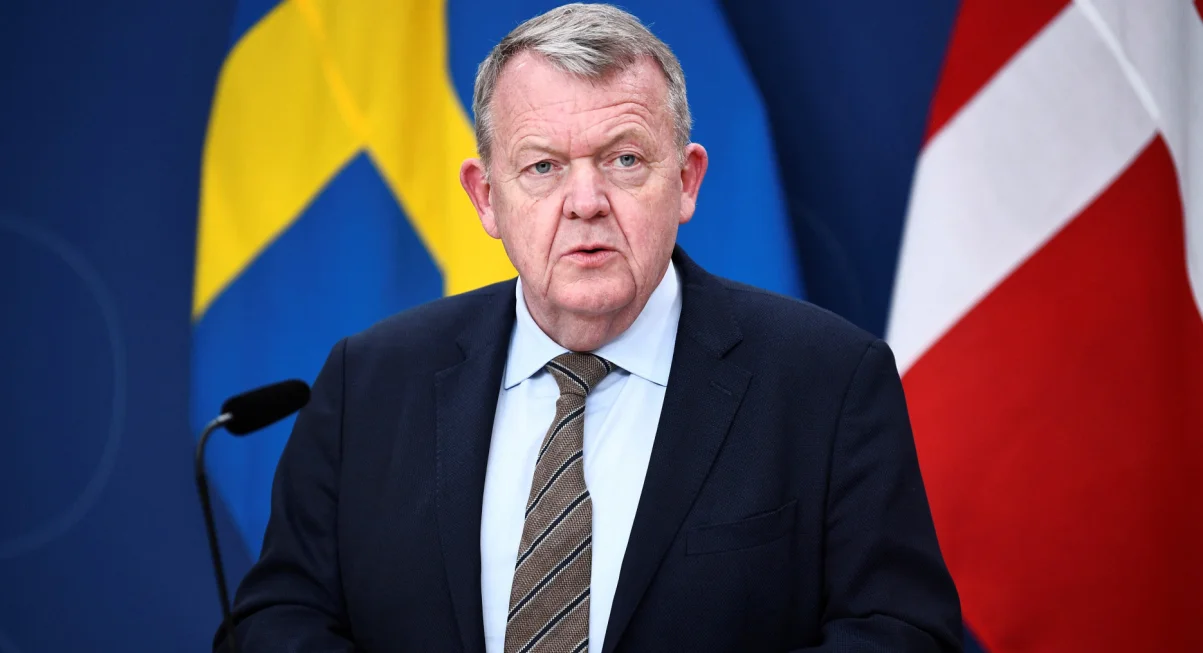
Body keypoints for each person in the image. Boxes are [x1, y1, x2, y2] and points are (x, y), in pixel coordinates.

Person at [218, 4, 962, 652]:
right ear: (485, 197)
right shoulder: (369, 381)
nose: (585, 201)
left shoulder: (827, 380)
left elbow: (899, 631)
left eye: (625, 159)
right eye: (541, 167)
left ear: (687, 181)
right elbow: (277, 618)